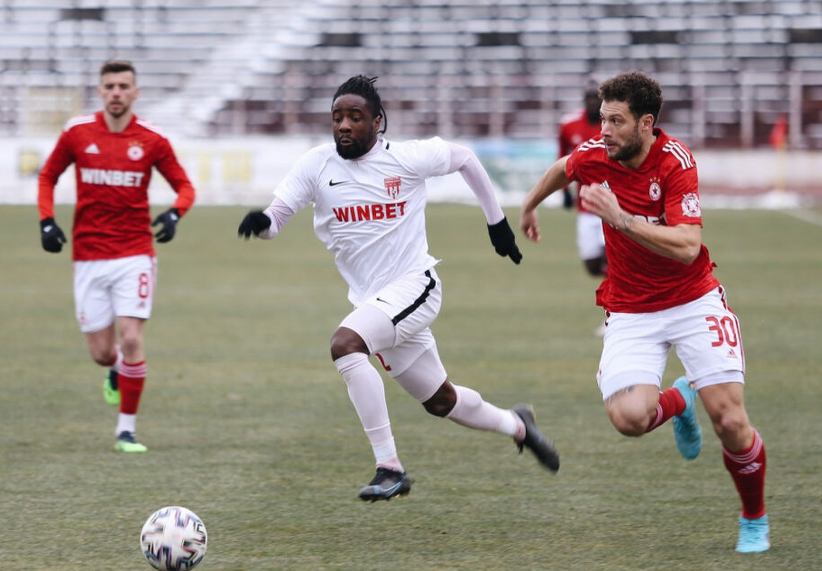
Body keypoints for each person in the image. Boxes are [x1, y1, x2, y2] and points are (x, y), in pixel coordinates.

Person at [238, 75, 559, 502]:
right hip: (375, 303)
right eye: (337, 117)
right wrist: (262, 223)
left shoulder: (408, 158)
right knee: (441, 401)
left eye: (355, 117)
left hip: (416, 288)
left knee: (345, 344)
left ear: (378, 122)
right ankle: (519, 425)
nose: (344, 126)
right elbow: (276, 219)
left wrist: (496, 223)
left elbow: (465, 158)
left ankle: (390, 468)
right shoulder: (316, 165)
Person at [520, 71, 769, 553]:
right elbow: (563, 167)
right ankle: (680, 401)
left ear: (646, 123)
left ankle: (753, 518)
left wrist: (622, 220)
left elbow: (687, 245)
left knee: (732, 422)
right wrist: (530, 205)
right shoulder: (597, 152)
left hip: (693, 301)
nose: (604, 130)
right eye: (602, 118)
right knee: (629, 418)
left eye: (616, 121)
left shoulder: (676, 163)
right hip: (632, 309)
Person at [38, 59, 196, 453]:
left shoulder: (152, 139)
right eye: (109, 86)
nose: (116, 93)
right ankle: (113, 373)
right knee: (101, 353)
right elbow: (47, 176)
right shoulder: (77, 133)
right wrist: (46, 221)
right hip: (88, 257)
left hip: (134, 253)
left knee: (130, 338)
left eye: (123, 86)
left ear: (135, 92)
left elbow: (185, 187)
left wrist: (175, 214)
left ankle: (126, 430)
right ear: (100, 91)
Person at [558, 83, 607, 334]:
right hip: (585, 207)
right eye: (588, 97)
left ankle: (615, 313)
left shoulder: (612, 125)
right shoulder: (569, 125)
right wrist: (564, 191)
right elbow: (562, 157)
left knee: (612, 262)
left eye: (595, 98)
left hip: (612, 204)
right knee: (592, 265)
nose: (591, 102)